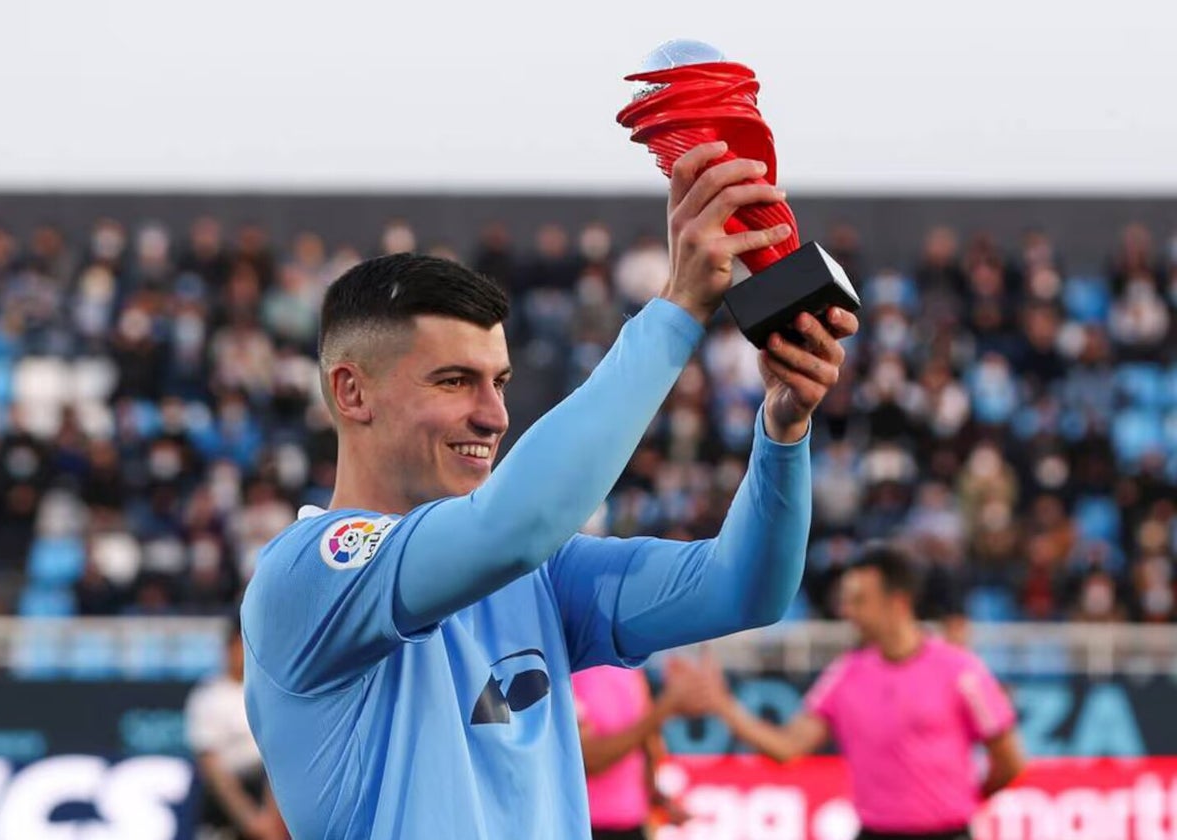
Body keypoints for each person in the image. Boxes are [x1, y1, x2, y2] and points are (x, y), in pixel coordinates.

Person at [240, 141, 860, 839]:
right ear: (352, 391)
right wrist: (678, 309)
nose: (493, 414)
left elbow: (745, 588)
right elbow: (513, 529)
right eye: (453, 381)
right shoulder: (309, 574)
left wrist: (782, 435)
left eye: (499, 382)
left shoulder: (537, 576)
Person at [696, 541, 1026, 840]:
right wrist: (723, 705)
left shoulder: (960, 671)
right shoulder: (845, 674)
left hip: (948, 831)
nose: (847, 612)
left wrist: (962, 802)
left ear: (897, 603)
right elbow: (788, 747)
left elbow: (1009, 761)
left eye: (859, 601)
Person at [573, 660, 708, 840]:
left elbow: (647, 741)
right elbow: (589, 760)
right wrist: (667, 706)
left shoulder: (629, 668)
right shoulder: (570, 673)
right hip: (588, 825)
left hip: (634, 822)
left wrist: (658, 798)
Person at [185, 619, 286, 840]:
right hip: (227, 803)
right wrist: (250, 819)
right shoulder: (209, 696)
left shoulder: (271, 692)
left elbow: (279, 756)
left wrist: (271, 817)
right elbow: (212, 767)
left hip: (270, 799)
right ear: (228, 649)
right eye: (240, 645)